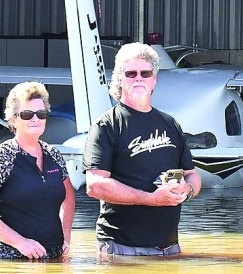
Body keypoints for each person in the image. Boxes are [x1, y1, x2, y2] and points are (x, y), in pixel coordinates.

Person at [83, 42, 201, 256]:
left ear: (154, 79)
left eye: (145, 73)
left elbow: (192, 175)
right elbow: (94, 186)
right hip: (121, 248)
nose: (138, 78)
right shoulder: (107, 126)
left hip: (169, 248)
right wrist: (150, 199)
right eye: (131, 73)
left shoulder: (170, 124)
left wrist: (187, 190)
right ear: (119, 78)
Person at [0, 81, 75, 260]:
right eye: (27, 114)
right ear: (13, 119)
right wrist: (21, 243)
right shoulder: (1, 157)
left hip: (52, 258)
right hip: (10, 259)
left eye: (41, 114)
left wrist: (65, 237)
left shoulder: (54, 155)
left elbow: (69, 198)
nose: (35, 119)